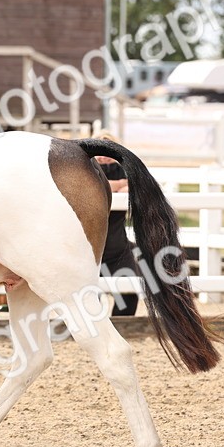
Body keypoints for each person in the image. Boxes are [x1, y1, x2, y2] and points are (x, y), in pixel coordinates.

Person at [93, 131, 140, 316]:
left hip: (117, 248)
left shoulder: (124, 167)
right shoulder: (86, 169)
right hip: (90, 251)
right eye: (100, 149)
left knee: (129, 292)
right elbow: (96, 187)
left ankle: (120, 329)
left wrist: (119, 184)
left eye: (108, 149)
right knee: (88, 296)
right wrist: (119, 184)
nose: (104, 155)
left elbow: (133, 186)